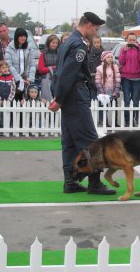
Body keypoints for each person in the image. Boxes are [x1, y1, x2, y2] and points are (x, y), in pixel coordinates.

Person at [49, 11, 116, 195]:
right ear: (88, 25)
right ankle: (95, 184)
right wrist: (59, 99)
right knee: (91, 142)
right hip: (75, 97)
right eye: (95, 28)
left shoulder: (67, 42)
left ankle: (70, 182)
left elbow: (58, 73)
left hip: (68, 97)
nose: (96, 32)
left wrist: (58, 96)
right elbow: (67, 74)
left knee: (69, 142)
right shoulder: (78, 45)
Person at [118, 32, 140, 126]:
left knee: (135, 101)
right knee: (127, 100)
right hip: (125, 77)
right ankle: (127, 121)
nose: (132, 42)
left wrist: (138, 49)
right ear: (127, 40)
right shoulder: (123, 49)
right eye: (130, 40)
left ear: (136, 40)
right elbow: (121, 61)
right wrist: (125, 50)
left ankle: (133, 120)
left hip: (136, 78)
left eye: (133, 40)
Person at [5, 28, 37, 100]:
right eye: (21, 36)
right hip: (14, 79)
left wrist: (30, 78)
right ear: (17, 37)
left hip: (26, 79)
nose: (23, 38)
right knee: (14, 100)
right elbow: (9, 65)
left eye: (24, 36)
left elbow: (32, 64)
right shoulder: (10, 48)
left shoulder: (30, 48)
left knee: (26, 100)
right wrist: (18, 78)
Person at [95, 50, 121, 126]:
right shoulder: (99, 68)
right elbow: (97, 81)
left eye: (111, 57)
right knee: (104, 108)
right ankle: (105, 123)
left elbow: (118, 80)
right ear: (104, 58)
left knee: (114, 108)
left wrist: (116, 91)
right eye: (108, 57)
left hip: (113, 91)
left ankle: (115, 123)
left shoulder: (115, 67)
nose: (110, 58)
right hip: (104, 92)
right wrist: (101, 91)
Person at [38, 34, 60, 101]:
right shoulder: (43, 54)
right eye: (52, 43)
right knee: (47, 99)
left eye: (56, 43)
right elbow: (40, 69)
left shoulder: (60, 53)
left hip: (57, 78)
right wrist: (52, 68)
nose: (54, 44)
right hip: (46, 78)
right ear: (48, 43)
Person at [88, 36, 104, 100]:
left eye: (98, 42)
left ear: (100, 43)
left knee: (101, 97)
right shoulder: (89, 53)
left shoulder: (104, 53)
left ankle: (101, 110)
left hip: (101, 78)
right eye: (95, 42)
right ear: (92, 43)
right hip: (92, 78)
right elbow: (87, 65)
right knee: (92, 97)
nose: (96, 44)